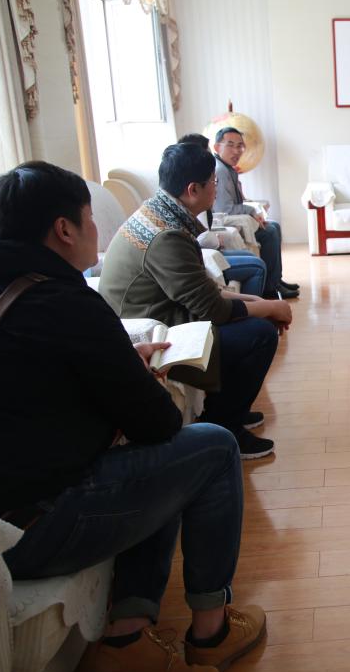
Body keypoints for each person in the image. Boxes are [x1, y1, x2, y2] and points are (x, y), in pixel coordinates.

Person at [0, 161, 266, 672]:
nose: (97, 229)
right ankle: (212, 632)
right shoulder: (67, 303)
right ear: (63, 229)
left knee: (159, 463)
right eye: (90, 217)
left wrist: (116, 368)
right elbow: (158, 424)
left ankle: (127, 638)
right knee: (212, 447)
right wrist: (139, 376)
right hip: (24, 528)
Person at [99, 143, 292, 458]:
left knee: (256, 318)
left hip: (163, 309)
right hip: (153, 329)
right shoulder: (167, 236)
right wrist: (270, 308)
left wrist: (258, 301)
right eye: (213, 182)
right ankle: (224, 426)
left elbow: (201, 290)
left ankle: (229, 409)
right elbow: (212, 309)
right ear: (193, 189)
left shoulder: (159, 213)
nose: (216, 188)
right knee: (259, 334)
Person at [212, 127, 299, 298]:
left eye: (240, 146)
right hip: (224, 221)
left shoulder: (228, 168)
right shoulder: (220, 170)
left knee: (274, 226)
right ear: (217, 147)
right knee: (270, 231)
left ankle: (276, 280)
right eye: (230, 145)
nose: (237, 151)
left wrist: (250, 208)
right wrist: (251, 210)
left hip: (234, 217)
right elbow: (225, 209)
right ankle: (270, 288)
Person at [178, 133, 268, 297]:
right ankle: (254, 304)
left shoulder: (206, 178)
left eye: (240, 146)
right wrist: (214, 239)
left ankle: (269, 289)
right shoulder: (198, 185)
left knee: (254, 253)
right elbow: (202, 233)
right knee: (257, 264)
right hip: (201, 253)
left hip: (204, 247)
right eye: (214, 183)